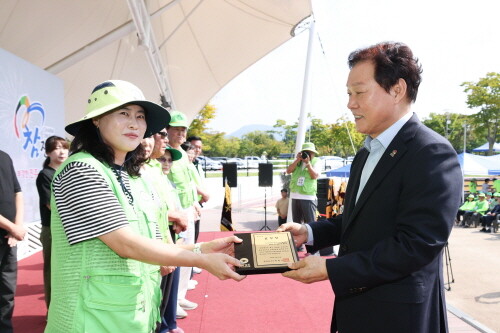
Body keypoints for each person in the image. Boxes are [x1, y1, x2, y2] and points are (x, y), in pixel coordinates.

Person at [278, 42, 462, 333]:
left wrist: (331, 268)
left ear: (397, 90)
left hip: (399, 318)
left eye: (360, 92)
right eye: (349, 94)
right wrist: (310, 232)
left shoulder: (431, 152)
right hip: (357, 309)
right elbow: (358, 219)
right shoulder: (366, 153)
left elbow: (417, 244)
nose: (351, 103)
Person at [45, 80, 244, 333]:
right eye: (123, 113)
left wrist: (202, 248)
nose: (134, 124)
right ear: (96, 120)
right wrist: (202, 261)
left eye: (140, 117)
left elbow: (151, 240)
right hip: (90, 320)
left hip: (132, 316)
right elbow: (124, 243)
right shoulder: (81, 169)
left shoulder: (133, 176)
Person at [165, 111, 200, 316]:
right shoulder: (166, 154)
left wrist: (194, 202)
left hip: (188, 208)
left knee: (188, 252)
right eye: (176, 128)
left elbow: (188, 183)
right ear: (167, 130)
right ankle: (173, 300)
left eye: (183, 129)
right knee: (177, 254)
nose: (180, 132)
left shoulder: (182, 155)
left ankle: (180, 295)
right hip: (176, 211)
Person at [35, 135, 69, 310]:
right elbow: (52, 205)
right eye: (56, 148)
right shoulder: (45, 175)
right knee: (52, 271)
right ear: (48, 152)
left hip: (68, 229)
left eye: (64, 147)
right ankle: (52, 311)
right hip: (52, 230)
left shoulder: (67, 172)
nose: (62, 151)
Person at [0, 150, 25, 333]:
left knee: (7, 292)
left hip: (9, 239)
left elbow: (18, 192)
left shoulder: (5, 156)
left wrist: (17, 226)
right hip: (10, 232)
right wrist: (13, 227)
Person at [286, 142, 320, 225]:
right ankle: (298, 238)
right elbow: (288, 171)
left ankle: (311, 238)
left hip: (308, 196)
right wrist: (297, 160)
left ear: (313, 154)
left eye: (310, 152)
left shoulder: (316, 161)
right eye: (306, 152)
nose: (308, 154)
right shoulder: (298, 162)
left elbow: (315, 176)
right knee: (296, 224)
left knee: (311, 223)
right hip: (295, 195)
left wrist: (308, 165)